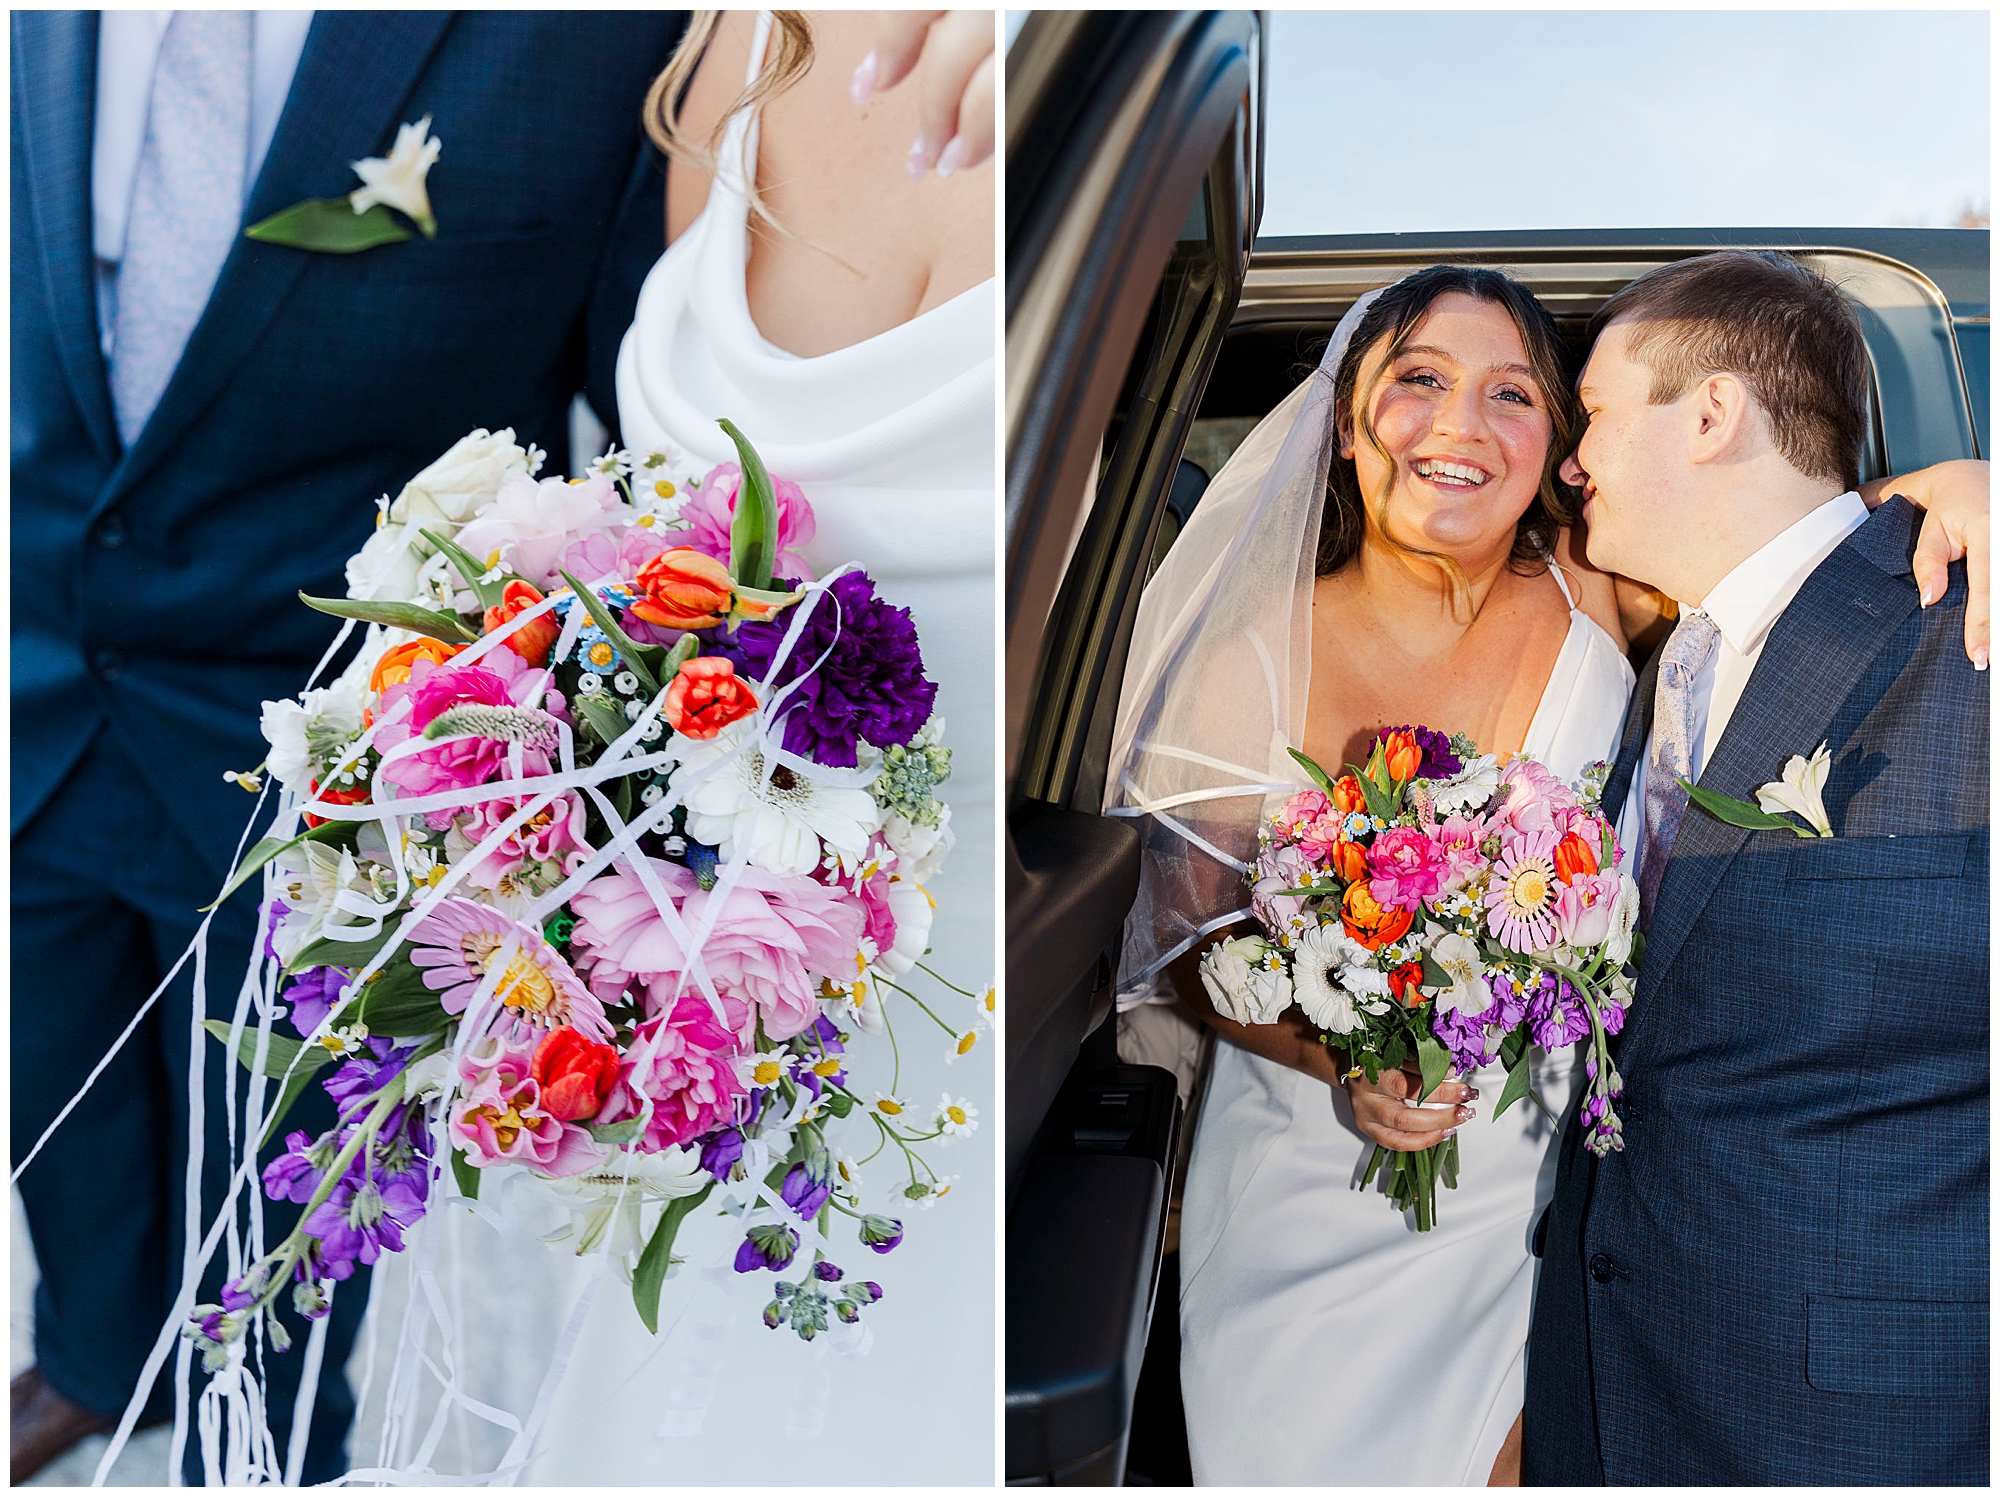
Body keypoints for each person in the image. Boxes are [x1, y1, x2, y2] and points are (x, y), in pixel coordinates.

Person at [1101, 263, 1987, 1485]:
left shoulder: (1603, 590)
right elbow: (1181, 937)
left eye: (1516, 395)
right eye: (1416, 381)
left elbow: (1786, 538)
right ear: (1344, 420)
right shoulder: (1243, 652)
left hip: (1556, 1200)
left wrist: (1951, 488)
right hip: (1323, 1185)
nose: (1461, 426)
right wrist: (1350, 1055)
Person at [9, 10, 685, 1482]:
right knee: (59, 1126)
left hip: (336, 789)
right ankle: (95, 1359)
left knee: (280, 1248)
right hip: (35, 701)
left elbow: (647, 459)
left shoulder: (615, 33)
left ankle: (246, 1450)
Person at [340, 11, 998, 1483]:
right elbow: (655, 521)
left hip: (949, 1048)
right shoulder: (734, 45)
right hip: (654, 1051)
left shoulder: (1104, 60)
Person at [1523, 251, 1987, 1485]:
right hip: (1616, 1374)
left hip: (1859, 1424)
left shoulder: (1969, 631)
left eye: (1596, 419)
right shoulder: (1667, 664)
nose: (1571, 462)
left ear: (1714, 413)